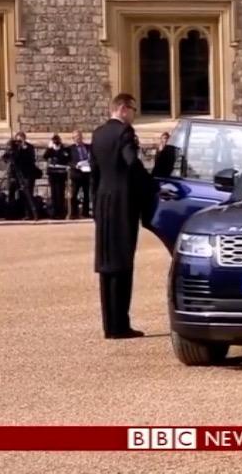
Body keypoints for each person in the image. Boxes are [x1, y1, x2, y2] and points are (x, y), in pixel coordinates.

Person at [91, 93, 153, 339]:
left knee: (106, 265)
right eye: (133, 110)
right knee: (122, 263)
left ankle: (110, 324)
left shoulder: (98, 134)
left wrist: (95, 206)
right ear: (124, 108)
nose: (134, 115)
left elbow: (94, 173)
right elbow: (131, 163)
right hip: (122, 202)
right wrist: (151, 187)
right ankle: (121, 325)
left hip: (103, 202)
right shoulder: (124, 133)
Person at [3, 131, 39, 220]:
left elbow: (31, 159)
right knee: (11, 193)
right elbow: (5, 157)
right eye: (17, 139)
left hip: (26, 174)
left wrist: (24, 148)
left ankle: (28, 214)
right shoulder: (12, 146)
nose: (19, 141)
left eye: (21, 139)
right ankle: (10, 214)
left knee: (26, 194)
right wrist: (12, 148)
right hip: (14, 173)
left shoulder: (29, 147)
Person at [43, 133, 71, 220]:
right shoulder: (51, 150)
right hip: (53, 174)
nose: (56, 143)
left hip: (61, 174)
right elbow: (45, 156)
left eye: (57, 141)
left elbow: (67, 158)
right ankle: (54, 212)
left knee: (60, 193)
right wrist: (49, 148)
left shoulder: (64, 149)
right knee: (53, 193)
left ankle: (61, 212)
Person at [68, 130, 92, 219]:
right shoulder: (71, 148)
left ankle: (85, 213)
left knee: (87, 194)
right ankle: (74, 213)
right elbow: (69, 161)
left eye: (80, 136)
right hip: (76, 174)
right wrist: (75, 165)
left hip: (86, 173)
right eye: (76, 137)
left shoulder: (88, 147)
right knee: (74, 194)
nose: (78, 138)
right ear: (73, 139)